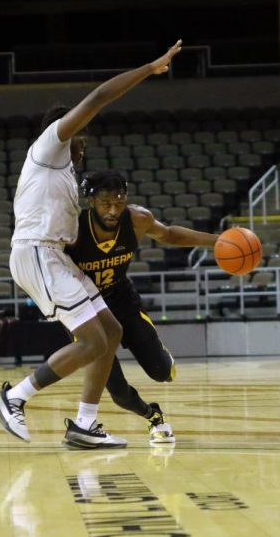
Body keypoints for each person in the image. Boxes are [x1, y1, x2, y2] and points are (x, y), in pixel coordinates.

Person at [0, 39, 183, 450]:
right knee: (92, 341)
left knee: (110, 330)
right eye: (81, 135)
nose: (83, 144)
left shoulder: (66, 178)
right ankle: (13, 397)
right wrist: (149, 68)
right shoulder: (48, 146)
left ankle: (84, 424)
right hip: (37, 251)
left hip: (54, 256)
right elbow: (97, 97)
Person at [65, 170, 221, 444]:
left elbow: (170, 235)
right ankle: (153, 415)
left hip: (122, 300)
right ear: (91, 202)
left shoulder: (137, 219)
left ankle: (158, 354)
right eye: (106, 204)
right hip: (86, 312)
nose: (113, 210)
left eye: (119, 202)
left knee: (162, 372)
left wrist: (218, 241)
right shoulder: (73, 230)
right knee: (118, 392)